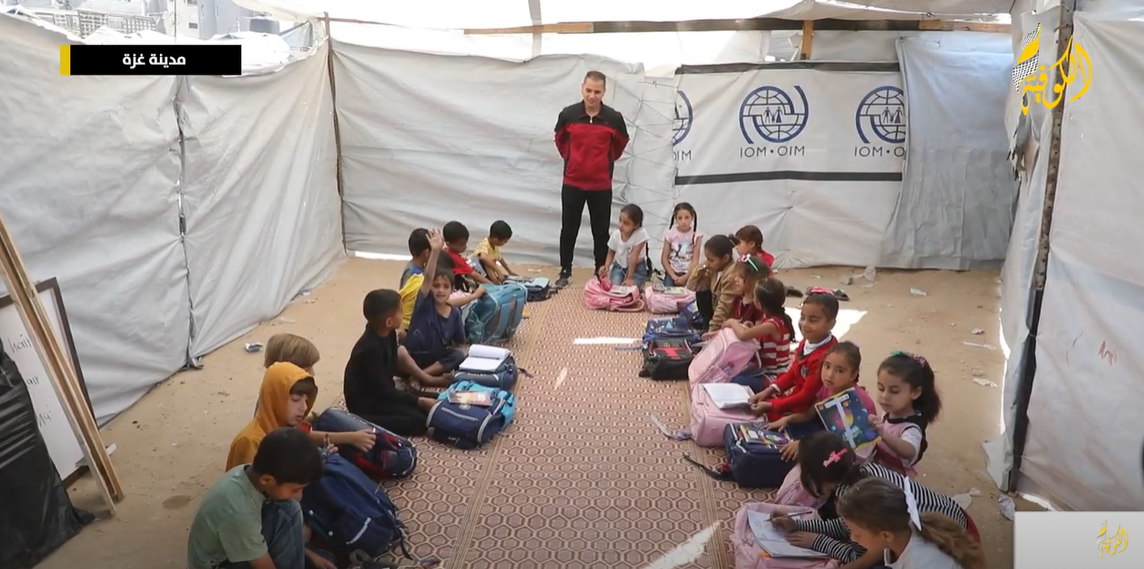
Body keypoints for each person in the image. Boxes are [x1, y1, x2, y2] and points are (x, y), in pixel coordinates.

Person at [771, 432, 973, 568]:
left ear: (815, 478)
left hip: (949, 530)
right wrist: (798, 525)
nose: (852, 537)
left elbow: (861, 557)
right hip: (947, 515)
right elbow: (847, 527)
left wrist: (818, 541)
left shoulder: (859, 499)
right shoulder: (862, 473)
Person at [188, 427, 324, 569]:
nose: (300, 495)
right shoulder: (239, 510)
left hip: (233, 547)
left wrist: (307, 554)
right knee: (287, 512)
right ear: (267, 480)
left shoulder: (251, 475)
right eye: (295, 489)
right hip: (219, 564)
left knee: (289, 508)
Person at [554, 70, 631, 289]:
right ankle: (565, 269)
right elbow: (559, 139)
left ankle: (600, 269)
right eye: (588, 90)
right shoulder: (568, 114)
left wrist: (604, 161)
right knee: (569, 228)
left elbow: (621, 143)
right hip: (572, 183)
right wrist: (572, 159)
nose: (592, 95)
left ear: (604, 92)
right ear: (582, 88)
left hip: (601, 185)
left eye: (597, 92)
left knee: (600, 231)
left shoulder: (614, 118)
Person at [344, 288, 446, 437]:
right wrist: (418, 401)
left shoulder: (389, 333)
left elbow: (389, 378)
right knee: (418, 421)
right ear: (389, 322)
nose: (403, 314)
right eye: (400, 311)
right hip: (366, 406)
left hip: (384, 395)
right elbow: (382, 391)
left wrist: (418, 398)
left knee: (436, 400)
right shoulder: (369, 350)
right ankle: (359, 423)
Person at [835, 478, 985, 569]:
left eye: (857, 534)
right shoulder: (904, 529)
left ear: (886, 535)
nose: (852, 538)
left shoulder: (920, 562)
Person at [771, 341, 876, 459]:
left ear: (853, 375)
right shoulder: (827, 388)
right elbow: (809, 415)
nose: (829, 375)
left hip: (850, 453)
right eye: (827, 366)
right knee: (787, 427)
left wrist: (804, 444)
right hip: (827, 436)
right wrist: (786, 419)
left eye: (839, 370)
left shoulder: (859, 402)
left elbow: (846, 442)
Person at [746, 292, 839, 421]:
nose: (804, 324)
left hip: (808, 412)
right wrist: (769, 391)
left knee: (757, 416)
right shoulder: (807, 342)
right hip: (797, 400)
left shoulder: (826, 356)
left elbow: (806, 396)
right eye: (803, 317)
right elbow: (793, 373)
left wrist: (771, 405)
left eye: (813, 320)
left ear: (831, 324)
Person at [404, 227, 477, 377]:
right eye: (436, 286)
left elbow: (459, 342)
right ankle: (422, 376)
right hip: (414, 356)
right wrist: (436, 251)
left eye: (445, 287)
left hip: (435, 358)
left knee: (458, 355)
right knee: (400, 352)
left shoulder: (455, 313)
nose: (440, 290)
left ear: (452, 290)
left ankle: (420, 375)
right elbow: (428, 278)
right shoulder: (424, 303)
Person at [869, 351, 942, 477]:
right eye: (881, 388)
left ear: (915, 393)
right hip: (878, 472)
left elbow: (910, 451)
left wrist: (883, 434)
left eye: (894, 391)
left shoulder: (911, 427)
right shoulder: (888, 413)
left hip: (896, 481)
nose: (885, 396)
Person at [722, 276, 794, 385]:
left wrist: (732, 322)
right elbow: (758, 334)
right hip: (764, 370)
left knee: (735, 379)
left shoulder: (773, 324)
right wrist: (752, 328)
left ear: (759, 304)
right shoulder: (770, 318)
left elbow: (743, 335)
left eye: (754, 296)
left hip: (774, 376)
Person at [705, 254, 772, 340]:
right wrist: (716, 334)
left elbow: (758, 337)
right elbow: (732, 327)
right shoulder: (738, 300)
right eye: (736, 275)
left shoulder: (758, 307)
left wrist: (734, 324)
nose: (735, 279)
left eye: (740, 277)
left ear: (753, 280)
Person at [684, 234, 736, 329]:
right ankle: (706, 324)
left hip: (727, 319)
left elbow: (724, 307)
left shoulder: (731, 275)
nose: (708, 263)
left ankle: (709, 327)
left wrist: (712, 329)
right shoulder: (714, 270)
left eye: (711, 260)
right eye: (706, 259)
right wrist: (703, 266)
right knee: (701, 293)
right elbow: (692, 286)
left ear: (725, 258)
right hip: (714, 311)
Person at [599, 204, 651, 287]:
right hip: (619, 266)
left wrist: (629, 278)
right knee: (615, 287)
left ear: (636, 225)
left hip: (637, 268)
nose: (621, 225)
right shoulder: (616, 235)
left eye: (626, 223)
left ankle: (638, 286)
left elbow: (634, 257)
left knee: (630, 289)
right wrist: (606, 266)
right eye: (620, 220)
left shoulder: (641, 234)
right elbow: (611, 251)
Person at [660, 203, 702, 287]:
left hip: (688, 272)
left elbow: (695, 261)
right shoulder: (670, 234)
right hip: (672, 272)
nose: (683, 221)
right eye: (680, 218)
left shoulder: (696, 236)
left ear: (692, 217)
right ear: (675, 219)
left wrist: (685, 277)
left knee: (689, 292)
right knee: (667, 291)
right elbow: (664, 258)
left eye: (687, 217)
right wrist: (673, 276)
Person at [443, 221, 492, 289]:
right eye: (461, 245)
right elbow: (474, 275)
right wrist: (492, 285)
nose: (465, 247)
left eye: (465, 243)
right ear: (448, 243)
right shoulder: (456, 259)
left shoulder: (445, 251)